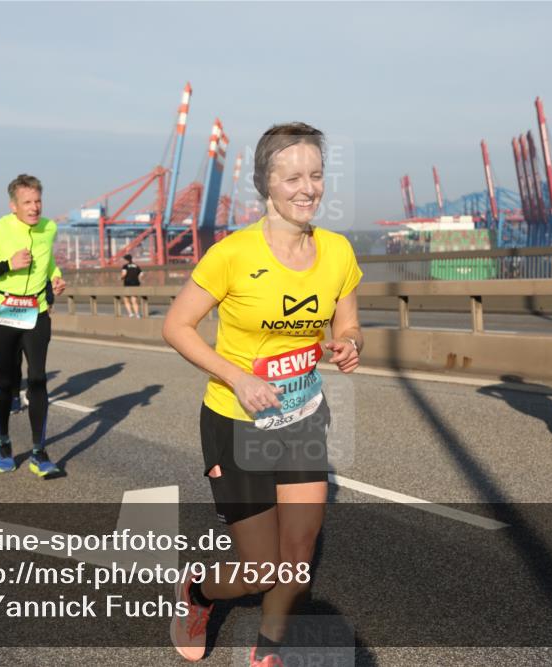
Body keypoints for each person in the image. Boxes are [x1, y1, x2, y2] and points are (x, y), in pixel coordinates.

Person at [162, 123, 363, 666]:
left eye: (316, 175)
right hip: (236, 422)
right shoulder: (231, 254)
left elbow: (347, 321)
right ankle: (197, 594)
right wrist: (238, 376)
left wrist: (347, 344)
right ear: (266, 184)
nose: (308, 187)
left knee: (296, 560)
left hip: (302, 418)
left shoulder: (338, 252)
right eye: (293, 176)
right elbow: (177, 327)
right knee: (261, 569)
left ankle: (267, 653)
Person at [0, 174, 67, 477]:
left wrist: (55, 277)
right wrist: (8, 264)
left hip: (36, 313)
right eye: (27, 203)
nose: (34, 208)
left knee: (37, 380)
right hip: (4, 313)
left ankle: (38, 452)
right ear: (13, 206)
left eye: (37, 201)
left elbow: (47, 263)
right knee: (7, 381)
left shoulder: (49, 228)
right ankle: (4, 441)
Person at [120, 253, 142, 318]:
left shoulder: (125, 266)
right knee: (134, 299)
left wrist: (120, 278)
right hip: (136, 283)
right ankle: (137, 314)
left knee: (126, 299)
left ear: (126, 260)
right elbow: (141, 274)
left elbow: (124, 274)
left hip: (128, 283)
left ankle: (130, 313)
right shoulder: (136, 266)